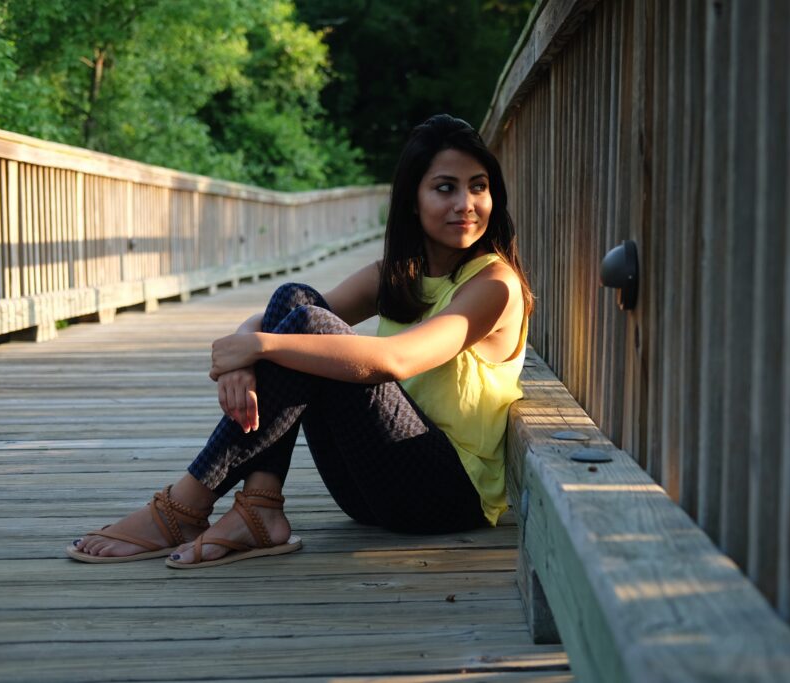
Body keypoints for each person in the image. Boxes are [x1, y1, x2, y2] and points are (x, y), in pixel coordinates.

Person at [67, 114, 534, 568]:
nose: (466, 204)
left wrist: (262, 348)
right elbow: (287, 314)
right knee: (294, 299)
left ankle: (184, 505)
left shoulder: (494, 285)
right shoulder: (399, 275)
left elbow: (395, 359)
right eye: (445, 187)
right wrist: (243, 353)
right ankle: (261, 505)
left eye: (478, 186)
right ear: (413, 199)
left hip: (445, 495)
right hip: (368, 488)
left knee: (308, 324)